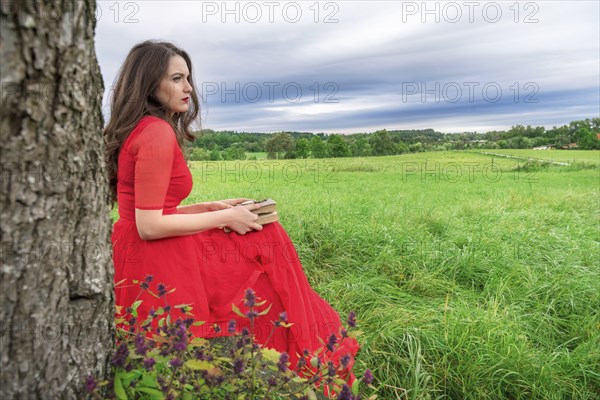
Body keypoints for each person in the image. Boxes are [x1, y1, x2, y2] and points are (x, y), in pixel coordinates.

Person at [104, 40, 358, 379]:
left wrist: (210, 207)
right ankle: (298, 352)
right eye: (177, 78)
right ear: (150, 83)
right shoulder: (157, 134)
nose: (189, 88)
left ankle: (284, 353)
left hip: (136, 249)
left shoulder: (143, 129)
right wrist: (226, 217)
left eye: (188, 78)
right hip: (155, 255)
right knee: (266, 242)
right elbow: (149, 224)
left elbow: (151, 208)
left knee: (261, 237)